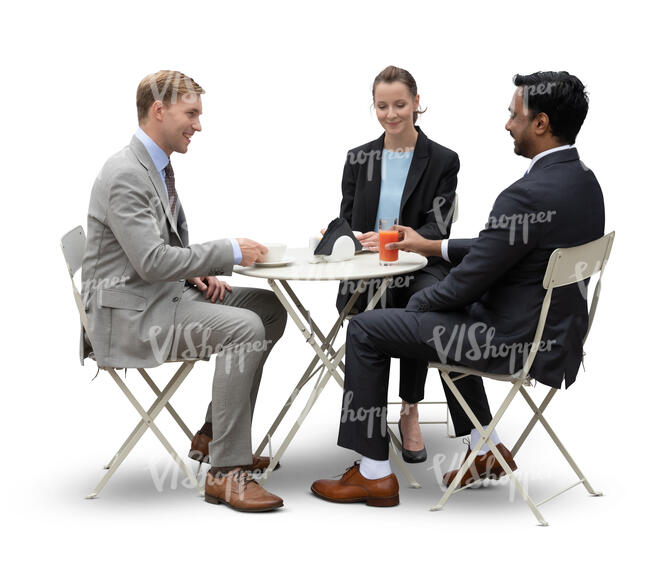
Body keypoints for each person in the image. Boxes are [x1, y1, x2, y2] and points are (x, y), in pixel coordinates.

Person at [311, 71, 604, 507]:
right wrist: (436, 246)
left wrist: (416, 309)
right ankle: (485, 448)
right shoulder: (584, 181)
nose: (508, 124)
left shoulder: (524, 195)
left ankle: (373, 473)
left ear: (540, 123)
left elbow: (468, 283)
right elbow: (501, 247)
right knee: (434, 310)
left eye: (514, 115)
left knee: (368, 329)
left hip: (508, 340)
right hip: (556, 337)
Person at [81, 70, 287, 512]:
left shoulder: (154, 166)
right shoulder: (125, 174)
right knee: (245, 328)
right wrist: (227, 251)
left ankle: (214, 435)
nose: (198, 125)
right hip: (132, 318)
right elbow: (151, 261)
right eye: (190, 113)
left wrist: (193, 272)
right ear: (159, 110)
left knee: (268, 308)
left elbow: (155, 250)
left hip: (159, 295)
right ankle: (227, 472)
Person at [335, 65, 460, 463]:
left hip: (420, 266)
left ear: (417, 103)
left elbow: (437, 228)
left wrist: (396, 242)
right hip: (369, 269)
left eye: (400, 105)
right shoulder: (359, 159)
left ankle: (409, 409)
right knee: (366, 313)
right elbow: (350, 222)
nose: (391, 114)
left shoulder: (443, 160)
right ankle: (368, 433)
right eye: (382, 106)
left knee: (418, 306)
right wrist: (350, 237)